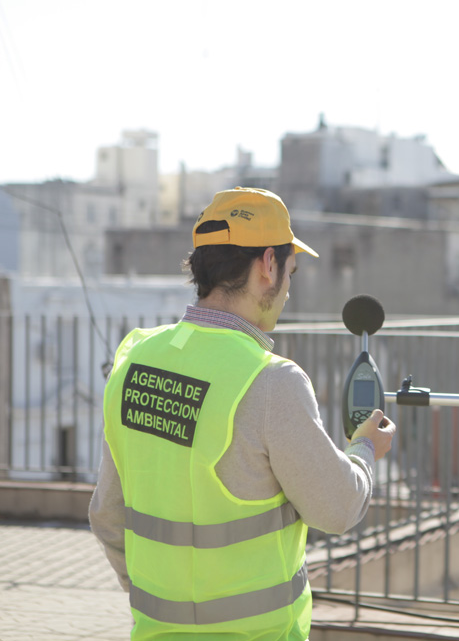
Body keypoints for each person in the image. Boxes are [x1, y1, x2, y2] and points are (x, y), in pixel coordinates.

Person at [89, 186, 395, 640]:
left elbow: (107, 515)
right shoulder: (272, 383)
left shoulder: (134, 360)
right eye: (290, 272)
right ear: (267, 265)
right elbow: (337, 507)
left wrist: (160, 603)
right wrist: (366, 449)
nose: (288, 289)